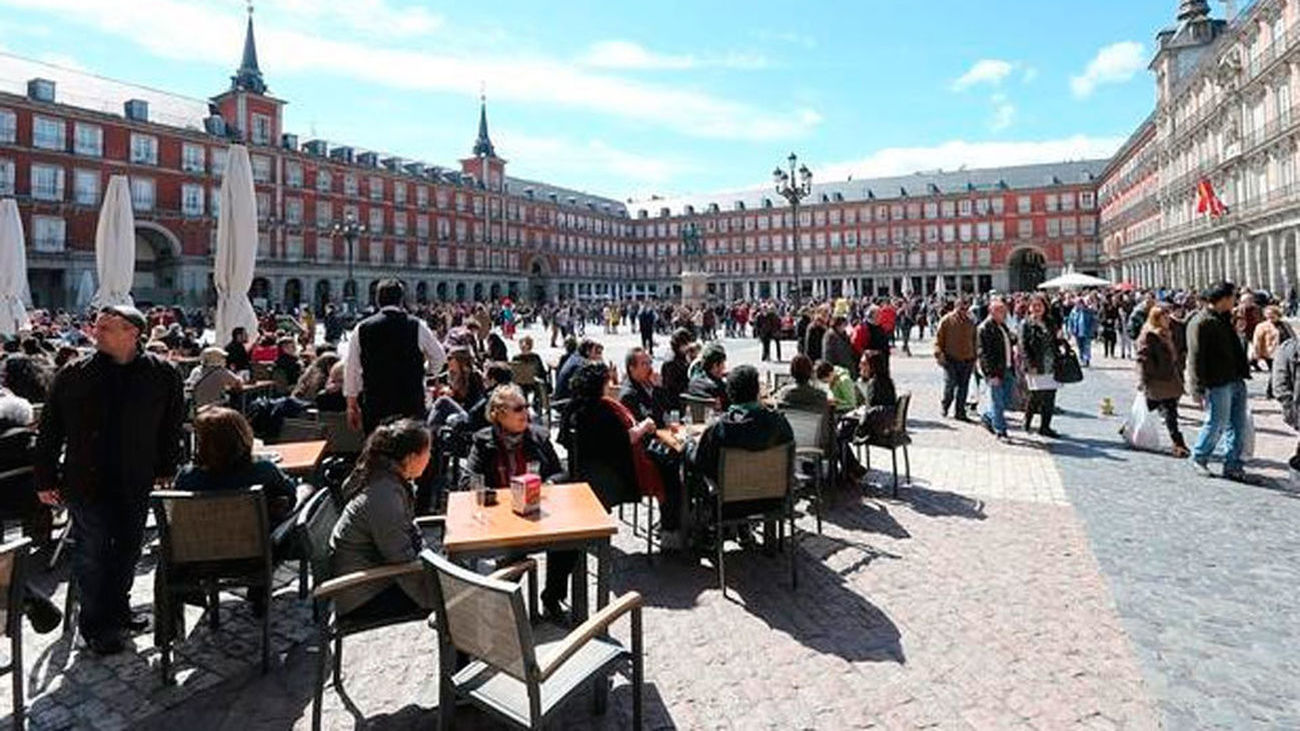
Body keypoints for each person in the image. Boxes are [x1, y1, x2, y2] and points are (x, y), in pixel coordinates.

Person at [34, 305, 185, 654]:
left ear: (133, 332)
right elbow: (50, 431)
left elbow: (171, 427)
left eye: (105, 327)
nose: (95, 332)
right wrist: (44, 479)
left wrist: (166, 467)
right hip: (86, 479)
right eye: (96, 326)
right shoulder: (74, 374)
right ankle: (96, 625)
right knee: (94, 551)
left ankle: (119, 609)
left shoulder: (163, 374)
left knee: (129, 549)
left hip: (136, 477)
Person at [461, 386, 569, 618]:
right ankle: (500, 607)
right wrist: (492, 495)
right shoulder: (482, 442)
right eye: (519, 408)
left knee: (570, 544)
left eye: (527, 407)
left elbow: (560, 473)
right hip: (503, 521)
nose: (526, 413)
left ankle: (552, 597)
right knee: (513, 555)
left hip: (537, 514)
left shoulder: (538, 437)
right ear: (499, 414)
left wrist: (549, 483)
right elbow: (468, 480)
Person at [329, 419, 437, 618]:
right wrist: (437, 590)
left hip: (373, 578)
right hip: (363, 594)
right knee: (459, 605)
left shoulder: (384, 477)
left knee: (459, 594)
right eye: (428, 451)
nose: (431, 457)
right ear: (411, 458)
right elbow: (401, 558)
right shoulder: (385, 494)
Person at [173, 406, 307, 544]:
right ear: (242, 436)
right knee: (305, 491)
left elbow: (177, 515)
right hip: (254, 550)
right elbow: (291, 492)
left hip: (201, 552)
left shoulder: (187, 477)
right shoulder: (263, 470)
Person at [687, 365, 794, 532]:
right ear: (757, 391)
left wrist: (690, 446)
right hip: (772, 499)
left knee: (689, 474)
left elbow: (699, 462)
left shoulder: (720, 429)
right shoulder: (779, 423)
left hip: (729, 504)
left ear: (730, 393)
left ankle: (698, 533)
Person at [344, 279, 446, 433]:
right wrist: (426, 371)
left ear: (378, 300)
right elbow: (439, 356)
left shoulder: (361, 329)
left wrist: (352, 404)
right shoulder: (416, 325)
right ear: (401, 300)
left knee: (379, 451)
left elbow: (351, 369)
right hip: (410, 404)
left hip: (376, 405)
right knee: (411, 451)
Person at [1186, 282, 1252, 480]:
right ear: (1223, 299)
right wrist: (1196, 389)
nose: (1236, 300)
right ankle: (1199, 456)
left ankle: (1233, 464)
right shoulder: (1201, 322)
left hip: (1236, 378)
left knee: (1238, 425)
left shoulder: (1225, 319)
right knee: (1217, 422)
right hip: (1217, 381)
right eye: (1233, 297)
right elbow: (1195, 357)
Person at [1136, 305, 1190, 457]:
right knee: (1167, 409)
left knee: (1156, 406)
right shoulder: (1149, 334)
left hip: (1170, 376)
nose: (1168, 320)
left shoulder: (1168, 333)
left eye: (1168, 316)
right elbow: (1143, 359)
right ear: (1156, 319)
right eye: (1164, 317)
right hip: (1157, 378)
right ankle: (1178, 444)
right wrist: (1144, 379)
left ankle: (1178, 443)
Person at [1019, 295, 1061, 438]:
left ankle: (1045, 426)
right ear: (1030, 307)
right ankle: (1027, 421)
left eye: (1040, 305)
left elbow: (1055, 341)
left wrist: (1060, 340)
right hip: (1036, 365)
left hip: (1051, 364)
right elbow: (1023, 347)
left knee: (1050, 397)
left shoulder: (1050, 322)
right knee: (1036, 395)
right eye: (1034, 305)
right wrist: (1030, 365)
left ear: (1045, 307)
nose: (1037, 308)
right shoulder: (1026, 323)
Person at [977, 298, 1016, 441]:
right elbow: (983, 354)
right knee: (997, 401)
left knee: (1007, 400)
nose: (1003, 314)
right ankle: (1001, 431)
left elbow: (1010, 342)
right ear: (991, 311)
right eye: (1000, 311)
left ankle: (987, 417)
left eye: (1004, 311)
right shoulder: (985, 328)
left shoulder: (1002, 326)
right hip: (995, 371)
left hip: (1007, 368)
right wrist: (989, 374)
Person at [934, 298, 977, 421]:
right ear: (956, 306)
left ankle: (960, 412)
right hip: (950, 359)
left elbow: (974, 340)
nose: (964, 310)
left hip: (967, 359)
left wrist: (975, 357)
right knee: (950, 385)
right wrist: (938, 353)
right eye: (961, 307)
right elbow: (938, 339)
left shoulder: (970, 322)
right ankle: (945, 404)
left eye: (966, 308)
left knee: (964, 387)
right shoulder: (946, 320)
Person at [1252, 305, 1293, 399]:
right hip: (1271, 353)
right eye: (1268, 315)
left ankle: (1275, 391)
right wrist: (1256, 354)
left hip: (1285, 352)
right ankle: (1270, 392)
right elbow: (1257, 340)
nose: (1270, 317)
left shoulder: (1285, 324)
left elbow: (1292, 336)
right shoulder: (1262, 326)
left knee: (1280, 372)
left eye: (1272, 315)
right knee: (1274, 372)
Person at [660, 329, 694, 412]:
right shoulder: (671, 362)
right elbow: (671, 387)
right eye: (686, 344)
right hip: (675, 403)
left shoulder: (682, 356)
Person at [688, 343, 729, 408]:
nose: (724, 367)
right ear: (715, 365)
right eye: (723, 363)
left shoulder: (693, 382)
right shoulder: (717, 388)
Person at [1066, 297, 1098, 367]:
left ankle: (1086, 360)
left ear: (1083, 304)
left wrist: (1093, 329)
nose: (1078, 305)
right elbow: (1070, 321)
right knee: (1080, 347)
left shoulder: (1088, 311)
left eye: (1080, 303)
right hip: (1077, 332)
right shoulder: (1074, 312)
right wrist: (1070, 329)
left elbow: (1094, 321)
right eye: (1077, 303)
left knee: (1086, 346)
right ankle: (1082, 359)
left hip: (1087, 332)